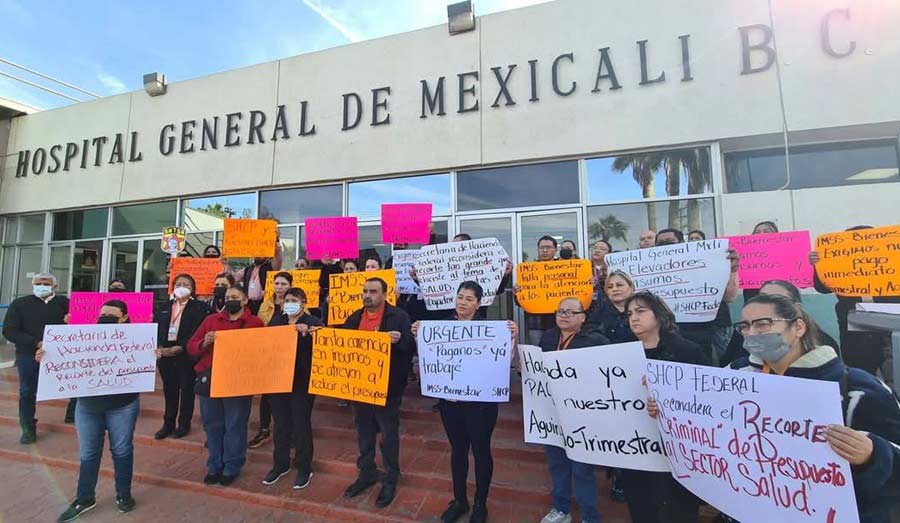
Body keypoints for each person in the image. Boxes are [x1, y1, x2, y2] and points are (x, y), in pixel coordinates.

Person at [728, 294, 900, 522]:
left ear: (798, 327)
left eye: (763, 324)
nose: (751, 333)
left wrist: (872, 455)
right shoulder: (733, 380)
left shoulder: (859, 388)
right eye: (745, 326)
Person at [410, 282, 518, 523]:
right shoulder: (441, 328)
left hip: (481, 406)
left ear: (478, 304)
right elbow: (430, 359)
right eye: (460, 297)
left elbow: (503, 361)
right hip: (451, 403)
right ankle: (459, 500)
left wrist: (512, 337)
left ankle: (480, 504)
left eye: (469, 299)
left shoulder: (491, 329)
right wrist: (420, 336)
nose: (463, 302)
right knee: (458, 450)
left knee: (481, 452)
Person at [44, 300, 144, 521]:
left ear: (124, 317)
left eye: (111, 314)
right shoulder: (84, 336)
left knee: (122, 451)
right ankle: (84, 497)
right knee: (88, 453)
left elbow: (144, 365)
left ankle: (123, 495)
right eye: (103, 314)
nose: (105, 317)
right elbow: (63, 357)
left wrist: (152, 354)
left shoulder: (138, 339)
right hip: (88, 406)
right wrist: (46, 354)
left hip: (122, 405)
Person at [624, 291, 707, 522]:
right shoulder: (621, 354)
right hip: (636, 450)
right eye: (630, 313)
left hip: (677, 452)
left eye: (641, 311)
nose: (634, 318)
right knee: (641, 507)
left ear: (659, 316)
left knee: (678, 510)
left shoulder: (688, 351)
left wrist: (666, 393)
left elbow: (706, 402)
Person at [342, 277, 414, 508]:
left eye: (373, 291)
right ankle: (367, 472)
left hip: (387, 387)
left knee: (388, 432)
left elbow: (412, 348)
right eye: (365, 291)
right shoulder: (354, 318)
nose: (368, 295)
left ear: (385, 293)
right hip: (360, 385)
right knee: (364, 431)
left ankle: (390, 477)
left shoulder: (399, 317)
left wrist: (400, 340)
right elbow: (342, 345)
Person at [538, 297, 609, 523]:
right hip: (553, 414)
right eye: (560, 311)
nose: (564, 315)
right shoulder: (548, 338)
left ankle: (590, 516)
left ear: (582, 317)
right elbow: (536, 373)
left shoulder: (596, 341)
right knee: (557, 464)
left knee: (581, 468)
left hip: (583, 415)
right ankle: (561, 509)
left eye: (570, 312)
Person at [187, 284, 265, 486]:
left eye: (235, 297)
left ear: (245, 300)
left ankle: (232, 466)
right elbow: (192, 346)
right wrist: (205, 342)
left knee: (235, 425)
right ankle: (214, 465)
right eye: (228, 296)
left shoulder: (255, 323)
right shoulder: (211, 320)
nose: (230, 300)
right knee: (212, 425)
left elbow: (262, 352)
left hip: (238, 381)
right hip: (211, 379)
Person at [810, 225, 900, 376]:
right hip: (853, 320)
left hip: (890, 318)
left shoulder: (892, 262)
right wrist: (818, 266)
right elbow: (823, 288)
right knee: (859, 367)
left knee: (894, 368)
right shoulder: (839, 264)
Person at [262, 288, 324, 489]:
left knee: (301, 424)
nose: (289, 303)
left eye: (294, 300)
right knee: (280, 424)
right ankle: (280, 464)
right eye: (287, 300)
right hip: (278, 380)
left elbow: (324, 346)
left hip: (302, 382)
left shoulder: (314, 322)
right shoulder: (277, 321)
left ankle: (304, 467)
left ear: (303, 302)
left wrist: (309, 333)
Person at [656, 228, 740, 364]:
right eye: (661, 242)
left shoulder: (705, 264)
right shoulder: (649, 272)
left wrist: (732, 270)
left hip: (700, 334)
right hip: (664, 336)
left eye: (670, 241)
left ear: (683, 243)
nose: (665, 245)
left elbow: (730, 297)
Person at [4, 272, 69, 444]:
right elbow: (9, 330)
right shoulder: (20, 304)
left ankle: (72, 415)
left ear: (54, 286)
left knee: (73, 384)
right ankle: (27, 428)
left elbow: (81, 326)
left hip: (61, 355)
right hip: (28, 355)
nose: (42, 285)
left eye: (46, 283)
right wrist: (36, 343)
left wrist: (72, 320)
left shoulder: (65, 303)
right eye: (39, 282)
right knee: (27, 391)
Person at [154, 274, 209, 440]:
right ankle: (168, 424)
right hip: (165, 355)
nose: (182, 286)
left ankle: (184, 423)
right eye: (178, 284)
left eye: (186, 284)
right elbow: (156, 327)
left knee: (186, 390)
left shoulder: (199, 307)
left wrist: (181, 347)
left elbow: (198, 330)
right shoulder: (164, 306)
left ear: (192, 289)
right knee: (169, 391)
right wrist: (161, 347)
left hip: (186, 355)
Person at [251, 271, 296, 448]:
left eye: (283, 284)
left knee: (286, 396)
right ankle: (263, 429)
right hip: (268, 354)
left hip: (288, 355)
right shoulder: (266, 304)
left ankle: (288, 431)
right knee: (266, 394)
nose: (279, 287)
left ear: (290, 286)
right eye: (276, 284)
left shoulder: (297, 303)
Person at [517, 235, 559, 345]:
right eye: (542, 247)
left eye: (548, 247)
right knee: (537, 354)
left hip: (559, 322)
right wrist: (517, 293)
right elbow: (519, 303)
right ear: (538, 249)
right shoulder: (528, 272)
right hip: (536, 323)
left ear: (555, 249)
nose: (545, 250)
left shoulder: (565, 269)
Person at [588, 270, 638, 345]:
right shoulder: (597, 312)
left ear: (631, 288)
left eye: (619, 285)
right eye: (610, 287)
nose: (614, 289)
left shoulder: (643, 309)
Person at [240, 233, 284, 314]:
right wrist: (224, 264)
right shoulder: (248, 269)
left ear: (267, 255)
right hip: (248, 305)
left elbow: (278, 256)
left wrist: (275, 240)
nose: (258, 254)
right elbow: (232, 277)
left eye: (261, 252)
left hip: (264, 304)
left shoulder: (271, 267)